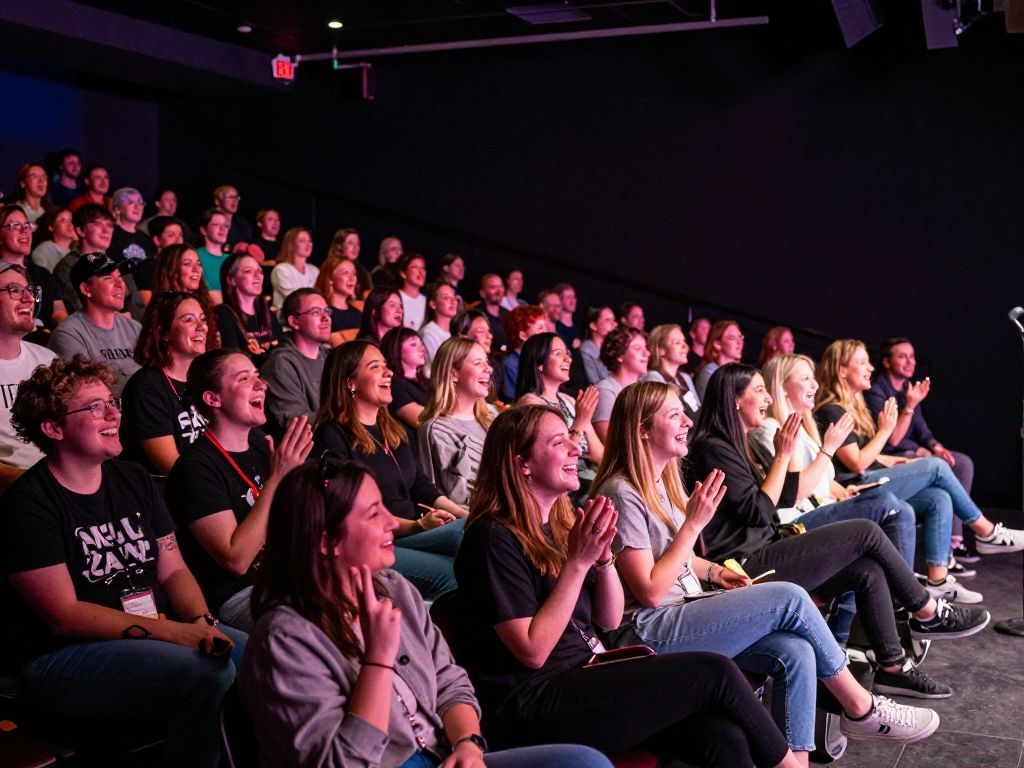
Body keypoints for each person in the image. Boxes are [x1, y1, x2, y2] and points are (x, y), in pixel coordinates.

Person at [592, 381, 940, 756]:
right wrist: (693, 524)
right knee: (790, 597)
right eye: (674, 415)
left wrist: (715, 573)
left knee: (796, 651)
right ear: (642, 429)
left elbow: (678, 557)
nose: (687, 422)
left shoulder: (662, 483)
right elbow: (650, 590)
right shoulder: (620, 492)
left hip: (683, 608)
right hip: (649, 629)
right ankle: (860, 708)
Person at [454, 405, 800, 766]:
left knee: (719, 735)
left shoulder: (558, 526)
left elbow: (609, 617)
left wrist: (603, 562)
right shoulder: (491, 537)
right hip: (536, 701)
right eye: (560, 442)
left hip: (587, 673)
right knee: (716, 673)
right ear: (521, 462)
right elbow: (532, 651)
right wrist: (578, 564)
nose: (576, 448)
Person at [239, 457, 613, 768]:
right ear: (326, 541)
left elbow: (450, 682)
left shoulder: (396, 588)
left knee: (582, 761)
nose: (391, 522)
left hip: (443, 754)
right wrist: (378, 662)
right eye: (373, 515)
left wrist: (467, 744)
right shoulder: (284, 639)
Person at [688, 363, 989, 699]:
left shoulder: (731, 443)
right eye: (758, 391)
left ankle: (893, 668)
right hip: (742, 568)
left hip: (764, 548)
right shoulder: (713, 447)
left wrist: (794, 459)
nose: (767, 400)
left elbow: (777, 496)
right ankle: (926, 610)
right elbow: (760, 512)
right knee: (866, 531)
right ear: (733, 400)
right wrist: (784, 455)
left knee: (866, 569)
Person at [5, 355, 242, 768]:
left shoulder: (132, 479)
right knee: (210, 675)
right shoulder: (29, 504)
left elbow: (174, 569)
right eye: (94, 406)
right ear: (53, 427)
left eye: (111, 401)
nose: (114, 412)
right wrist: (175, 635)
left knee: (266, 653)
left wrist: (202, 623)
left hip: (151, 632)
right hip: (59, 658)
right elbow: (64, 615)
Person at [815, 339, 1024, 596]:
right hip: (855, 488)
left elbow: (876, 454)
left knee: (938, 496)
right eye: (861, 362)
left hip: (869, 477)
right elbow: (856, 464)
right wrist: (886, 431)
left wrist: (905, 462)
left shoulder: (853, 408)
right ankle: (986, 532)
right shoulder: (831, 410)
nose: (869, 368)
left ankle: (938, 581)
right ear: (841, 370)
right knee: (935, 467)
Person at [166, 348, 313, 630]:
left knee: (379, 592)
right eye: (244, 378)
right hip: (239, 593)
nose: (261, 384)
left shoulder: (262, 445)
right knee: (314, 623)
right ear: (213, 398)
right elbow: (236, 559)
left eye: (258, 376)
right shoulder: (196, 468)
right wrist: (278, 479)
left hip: (288, 574)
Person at [313, 340, 467, 600]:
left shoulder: (393, 429)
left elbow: (419, 483)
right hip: (375, 542)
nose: (389, 373)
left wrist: (462, 511)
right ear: (350, 382)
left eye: (387, 365)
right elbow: (349, 511)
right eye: (376, 367)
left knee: (480, 529)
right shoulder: (332, 435)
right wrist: (417, 526)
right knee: (460, 557)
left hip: (412, 533)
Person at [867, 337, 978, 563]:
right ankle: (978, 530)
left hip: (912, 451)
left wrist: (936, 446)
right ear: (887, 362)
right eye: (902, 356)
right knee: (937, 471)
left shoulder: (909, 388)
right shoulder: (877, 391)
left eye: (912, 356)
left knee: (961, 463)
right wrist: (909, 407)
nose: (910, 361)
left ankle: (955, 542)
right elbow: (892, 441)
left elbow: (922, 429)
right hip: (890, 458)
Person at [120, 291, 211, 475]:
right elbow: (172, 468)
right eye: (189, 320)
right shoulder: (145, 388)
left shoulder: (209, 378)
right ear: (163, 332)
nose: (202, 327)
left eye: (203, 319)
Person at [516, 332, 603, 496]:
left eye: (567, 353)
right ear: (539, 364)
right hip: (557, 486)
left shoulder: (568, 400)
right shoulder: (531, 404)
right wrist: (580, 421)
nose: (568, 359)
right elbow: (557, 459)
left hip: (586, 478)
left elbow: (598, 455)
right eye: (558, 354)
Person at [418, 337, 499, 506]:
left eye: (487, 362)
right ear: (453, 373)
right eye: (478, 363)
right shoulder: (437, 430)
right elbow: (456, 497)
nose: (489, 369)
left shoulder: (493, 415)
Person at [49, 253, 141, 396]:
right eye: (109, 278)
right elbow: (87, 395)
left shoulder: (134, 328)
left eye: (120, 277)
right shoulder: (68, 335)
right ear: (86, 289)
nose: (120, 284)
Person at [0, 263, 56, 493]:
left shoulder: (49, 361)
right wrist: (35, 484)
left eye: (30, 291)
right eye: (14, 290)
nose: (28, 299)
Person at [262, 288, 330, 439]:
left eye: (327, 311)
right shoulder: (281, 363)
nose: (326, 318)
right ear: (294, 322)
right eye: (316, 312)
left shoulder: (330, 357)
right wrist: (348, 413)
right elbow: (297, 425)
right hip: (312, 454)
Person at [1, 204, 66, 330]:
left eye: (27, 226)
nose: (24, 231)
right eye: (15, 225)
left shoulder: (42, 274)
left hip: (46, 340)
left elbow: (59, 313)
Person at [215, 251, 284, 367]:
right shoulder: (224, 314)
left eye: (259, 271)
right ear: (231, 280)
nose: (257, 276)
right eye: (248, 271)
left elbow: (284, 352)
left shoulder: (267, 314)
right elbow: (234, 362)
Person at [146, 244, 220, 348]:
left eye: (198, 264)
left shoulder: (205, 304)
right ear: (171, 270)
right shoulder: (161, 308)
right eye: (187, 264)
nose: (196, 269)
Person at [54, 203, 115, 314]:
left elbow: (134, 303)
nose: (106, 230)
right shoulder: (68, 266)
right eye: (98, 224)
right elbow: (79, 307)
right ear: (81, 231)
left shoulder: (114, 263)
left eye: (110, 226)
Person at [592, 324, 649, 443]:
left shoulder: (645, 389)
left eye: (646, 348)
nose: (647, 353)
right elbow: (608, 440)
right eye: (638, 348)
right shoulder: (605, 389)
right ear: (620, 355)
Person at [642, 323, 700, 420]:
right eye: (677, 342)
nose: (685, 346)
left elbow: (697, 409)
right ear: (660, 351)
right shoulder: (654, 379)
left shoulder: (685, 377)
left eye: (684, 341)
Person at [381, 326, 429, 429]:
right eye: (413, 344)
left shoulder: (427, 382)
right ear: (396, 350)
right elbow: (423, 421)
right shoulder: (394, 386)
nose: (422, 348)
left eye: (421, 344)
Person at [500, 304, 548, 401]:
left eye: (545, 327)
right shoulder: (510, 364)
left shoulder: (541, 359)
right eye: (540, 328)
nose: (546, 331)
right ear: (523, 335)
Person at [315, 254, 364, 347]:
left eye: (354, 274)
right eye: (345, 273)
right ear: (330, 279)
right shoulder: (323, 315)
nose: (352, 279)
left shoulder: (358, 314)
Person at [271, 227, 319, 310]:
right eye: (302, 241)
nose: (308, 244)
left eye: (310, 241)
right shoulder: (281, 270)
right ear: (291, 244)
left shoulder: (314, 270)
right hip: (287, 317)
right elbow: (294, 300)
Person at [694, 320, 743, 400]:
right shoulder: (710, 372)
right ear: (717, 344)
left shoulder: (739, 373)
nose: (739, 342)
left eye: (740, 337)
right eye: (732, 338)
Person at [420, 281, 458, 370]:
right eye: (446, 297)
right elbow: (440, 367)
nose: (453, 301)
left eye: (454, 297)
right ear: (433, 304)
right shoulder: (428, 333)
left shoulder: (455, 332)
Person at [195, 209, 230, 302]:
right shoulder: (195, 256)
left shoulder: (231, 260)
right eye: (216, 224)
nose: (223, 229)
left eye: (226, 225)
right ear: (203, 230)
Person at [327, 227, 373, 297]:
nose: (355, 247)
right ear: (340, 246)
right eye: (350, 243)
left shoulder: (362, 272)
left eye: (358, 243)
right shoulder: (332, 267)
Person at [577, 306, 615, 386]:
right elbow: (593, 383)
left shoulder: (614, 349)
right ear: (594, 326)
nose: (614, 324)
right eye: (607, 320)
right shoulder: (587, 350)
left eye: (614, 320)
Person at [30, 207, 76, 273]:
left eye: (71, 220)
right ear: (51, 227)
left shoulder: (75, 249)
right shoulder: (43, 250)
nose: (70, 224)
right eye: (63, 220)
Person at [398, 251, 429, 331]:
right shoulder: (396, 298)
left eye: (423, 268)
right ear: (403, 273)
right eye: (415, 267)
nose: (421, 272)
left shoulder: (427, 301)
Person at [479, 274, 509, 351]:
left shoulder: (507, 314)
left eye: (501, 287)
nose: (499, 291)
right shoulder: (477, 315)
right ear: (482, 292)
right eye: (493, 287)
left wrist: (504, 350)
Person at [554, 283, 581, 350]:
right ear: (559, 300)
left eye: (574, 297)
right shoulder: (555, 328)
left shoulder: (578, 330)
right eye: (568, 297)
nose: (573, 301)